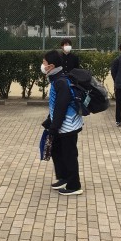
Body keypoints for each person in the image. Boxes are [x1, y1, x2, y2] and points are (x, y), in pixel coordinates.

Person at [41, 49, 84, 196]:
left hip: (68, 127)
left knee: (69, 155)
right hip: (61, 125)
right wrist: (50, 120)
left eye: (44, 62)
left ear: (51, 66)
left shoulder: (61, 82)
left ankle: (74, 185)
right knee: (57, 151)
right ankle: (64, 178)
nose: (42, 65)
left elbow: (61, 107)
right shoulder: (57, 79)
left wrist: (54, 127)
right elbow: (55, 105)